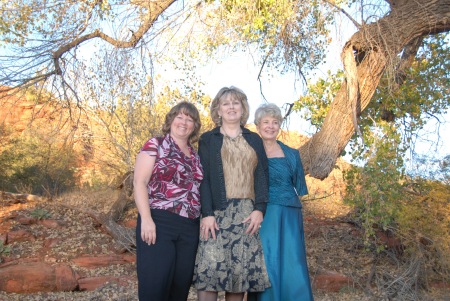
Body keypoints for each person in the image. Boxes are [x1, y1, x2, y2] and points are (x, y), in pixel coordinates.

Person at [193, 86, 271, 301]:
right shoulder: (209, 139)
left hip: (246, 214)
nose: (231, 107)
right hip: (216, 214)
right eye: (225, 103)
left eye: (235, 103)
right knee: (210, 272)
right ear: (218, 110)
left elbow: (262, 176)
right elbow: (203, 178)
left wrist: (259, 209)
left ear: (243, 108)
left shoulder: (254, 139)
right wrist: (207, 213)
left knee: (237, 276)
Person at [133, 101, 203, 301]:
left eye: (189, 119)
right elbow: (139, 182)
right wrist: (146, 219)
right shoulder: (156, 144)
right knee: (155, 285)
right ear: (171, 120)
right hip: (159, 222)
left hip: (190, 227)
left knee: (179, 287)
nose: (184, 122)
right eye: (179, 117)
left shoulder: (196, 157)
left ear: (194, 126)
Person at [252, 103, 314, 301]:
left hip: (289, 215)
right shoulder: (250, 152)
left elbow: (300, 188)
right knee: (266, 261)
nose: (270, 126)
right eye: (266, 122)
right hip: (262, 214)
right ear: (258, 125)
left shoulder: (292, 154)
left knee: (291, 262)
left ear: (280, 126)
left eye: (275, 122)